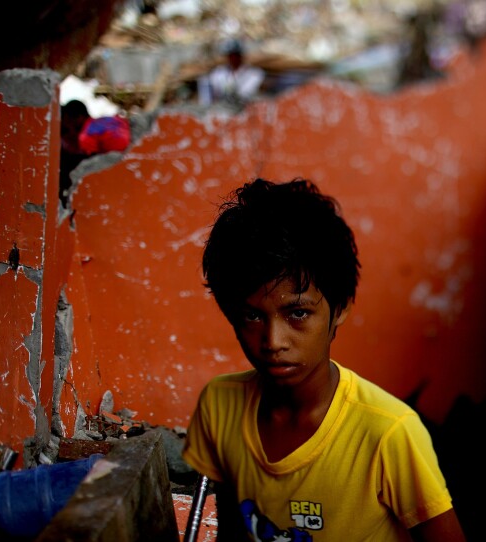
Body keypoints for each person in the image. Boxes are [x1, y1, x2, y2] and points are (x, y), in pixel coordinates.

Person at [182, 177, 466, 541]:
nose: (273, 341)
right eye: (252, 316)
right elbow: (235, 530)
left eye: (297, 313)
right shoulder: (219, 406)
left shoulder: (388, 432)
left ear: (341, 308)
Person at [59, 99, 131, 201]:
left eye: (67, 121)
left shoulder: (86, 136)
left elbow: (90, 166)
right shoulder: (108, 119)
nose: (67, 124)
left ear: (78, 118)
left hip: (120, 165)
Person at [198, 39, 265, 107]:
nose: (233, 58)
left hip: (244, 107)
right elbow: (212, 89)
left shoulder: (254, 74)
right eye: (231, 55)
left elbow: (246, 93)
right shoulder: (219, 73)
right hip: (222, 107)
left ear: (241, 56)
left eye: (236, 55)